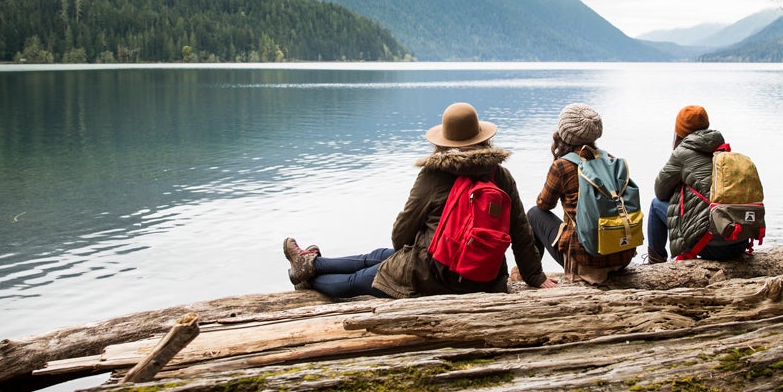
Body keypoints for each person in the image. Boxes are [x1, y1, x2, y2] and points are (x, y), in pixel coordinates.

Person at [283, 102, 557, 298]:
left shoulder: (434, 175)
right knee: (379, 257)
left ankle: (308, 279)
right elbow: (520, 230)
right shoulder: (500, 175)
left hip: (435, 275)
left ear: (444, 141)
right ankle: (310, 263)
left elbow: (400, 235)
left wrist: (412, 252)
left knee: (358, 281)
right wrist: (535, 276)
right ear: (482, 138)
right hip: (487, 277)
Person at [527, 103, 636, 283]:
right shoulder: (611, 160)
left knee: (534, 213)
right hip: (621, 257)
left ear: (565, 133)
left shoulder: (562, 165)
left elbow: (544, 204)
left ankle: (533, 274)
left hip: (586, 261)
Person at [647, 104, 752, 263]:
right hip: (739, 240)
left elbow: (660, 192)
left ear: (679, 131)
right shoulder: (722, 149)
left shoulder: (681, 154)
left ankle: (655, 262)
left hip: (711, 246)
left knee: (656, 205)